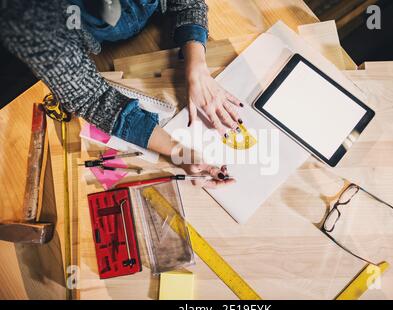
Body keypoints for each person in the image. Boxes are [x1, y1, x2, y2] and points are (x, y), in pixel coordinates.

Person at [0, 0, 243, 187]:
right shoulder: (27, 12)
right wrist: (179, 151)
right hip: (31, 67)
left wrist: (197, 68)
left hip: (128, 42)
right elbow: (93, 99)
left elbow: (187, 3)